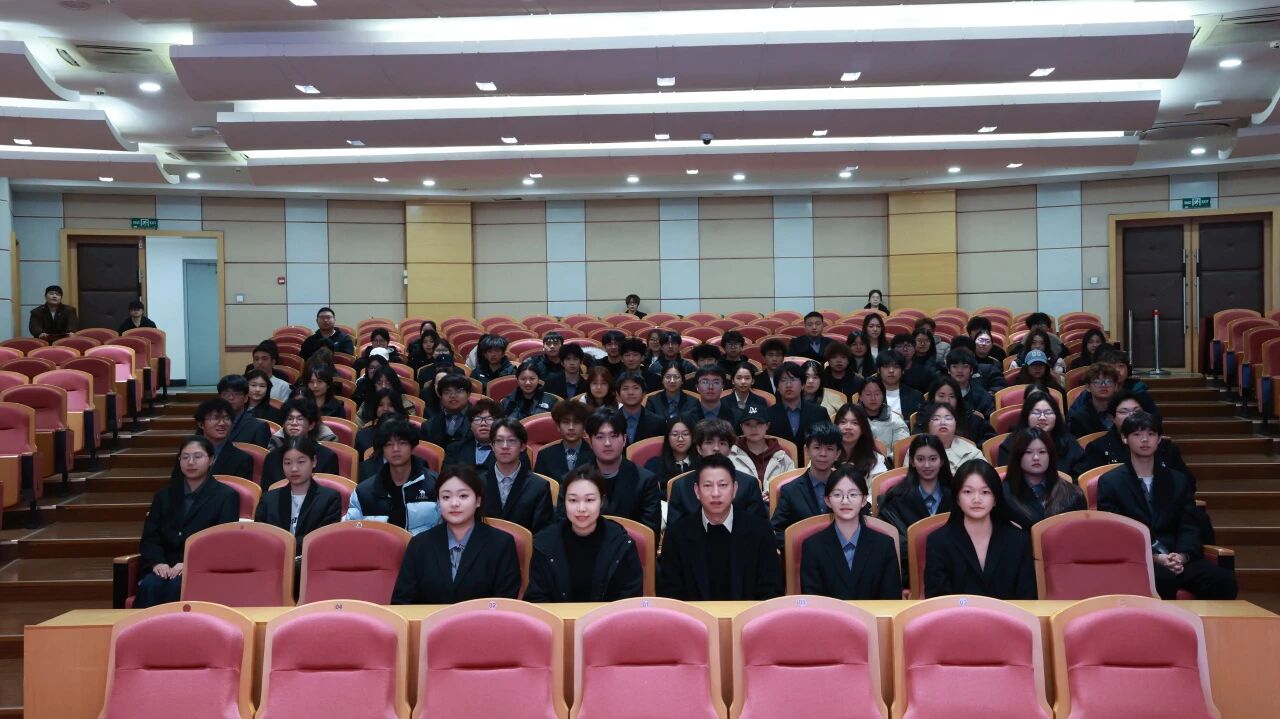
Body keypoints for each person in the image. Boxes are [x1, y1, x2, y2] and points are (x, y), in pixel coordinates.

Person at [1097, 411, 1237, 599]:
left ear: (1159, 439)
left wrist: (1181, 556)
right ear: (1124, 438)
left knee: (1223, 580)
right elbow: (1115, 533)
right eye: (1137, 434)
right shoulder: (1110, 482)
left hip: (1177, 557)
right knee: (1163, 579)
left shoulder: (1178, 480)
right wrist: (1156, 557)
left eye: (1151, 434)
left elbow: (1189, 526)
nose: (1145, 440)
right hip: (1139, 559)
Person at [658, 454, 782, 601]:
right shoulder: (677, 535)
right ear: (697, 491)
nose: (715, 493)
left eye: (723, 485)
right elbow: (670, 595)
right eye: (708, 485)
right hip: (693, 615)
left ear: (734, 489)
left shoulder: (760, 531)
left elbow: (771, 591)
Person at [392, 464, 521, 604]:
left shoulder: (501, 544)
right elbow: (402, 603)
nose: (454, 503)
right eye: (446, 497)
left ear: (478, 500)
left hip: (484, 618)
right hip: (430, 619)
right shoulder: (419, 545)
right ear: (438, 501)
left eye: (463, 496)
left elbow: (506, 603)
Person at [135, 435, 239, 607]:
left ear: (211, 460)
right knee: (150, 585)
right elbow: (150, 538)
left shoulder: (226, 496)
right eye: (185, 457)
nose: (191, 462)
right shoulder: (163, 496)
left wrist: (189, 563)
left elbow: (223, 542)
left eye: (197, 456)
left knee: (178, 587)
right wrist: (157, 562)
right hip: (165, 566)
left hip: (202, 568)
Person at [525, 466, 644, 602]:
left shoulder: (621, 543)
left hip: (610, 616)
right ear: (564, 502)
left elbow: (630, 598)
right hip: (558, 616)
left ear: (602, 501)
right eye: (573, 500)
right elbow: (536, 598)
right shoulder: (545, 543)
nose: (581, 509)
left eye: (589, 500)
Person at [924, 459, 1037, 599]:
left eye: (985, 492)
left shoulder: (1019, 541)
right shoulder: (938, 542)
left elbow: (1028, 598)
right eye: (968, 492)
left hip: (1007, 613)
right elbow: (937, 600)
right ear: (957, 498)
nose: (976, 499)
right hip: (957, 613)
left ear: (995, 499)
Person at [799, 465, 902, 599]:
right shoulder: (812, 546)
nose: (845, 501)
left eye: (853, 494)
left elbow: (891, 601)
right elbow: (813, 601)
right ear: (827, 500)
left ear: (864, 500)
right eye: (837, 495)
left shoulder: (884, 545)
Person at [553, 409, 661, 536]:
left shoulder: (645, 481)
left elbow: (649, 535)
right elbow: (563, 530)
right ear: (590, 441)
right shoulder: (571, 481)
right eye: (600, 437)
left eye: (613, 436)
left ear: (624, 439)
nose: (607, 443)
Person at [346, 419, 440, 536]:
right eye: (389, 444)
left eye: (402, 443)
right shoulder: (363, 492)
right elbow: (349, 531)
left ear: (412, 446)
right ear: (382, 450)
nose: (395, 449)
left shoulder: (435, 484)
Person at [666, 418, 767, 528]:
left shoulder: (749, 484)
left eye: (722, 443)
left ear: (730, 449)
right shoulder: (680, 486)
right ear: (699, 449)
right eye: (709, 442)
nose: (716, 448)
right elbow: (674, 532)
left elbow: (759, 528)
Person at [254, 436, 342, 558]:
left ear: (314, 461)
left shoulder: (330, 499)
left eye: (301, 462)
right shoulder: (268, 500)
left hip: (313, 560)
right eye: (288, 463)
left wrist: (286, 546)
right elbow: (260, 537)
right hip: (273, 560)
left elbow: (324, 538)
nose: (294, 469)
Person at [879, 434, 955, 571]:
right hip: (910, 569)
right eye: (920, 459)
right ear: (912, 462)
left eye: (933, 459)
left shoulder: (956, 496)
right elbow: (894, 542)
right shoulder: (896, 499)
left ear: (942, 461)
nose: (927, 465)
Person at [770, 421, 843, 545]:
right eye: (817, 447)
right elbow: (776, 531)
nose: (823, 454)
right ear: (807, 450)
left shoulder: (848, 487)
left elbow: (862, 525)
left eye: (829, 449)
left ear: (838, 454)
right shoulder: (790, 490)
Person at [1002, 428, 1086, 530]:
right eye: (1028, 452)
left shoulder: (1074, 494)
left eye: (1042, 452)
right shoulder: (1003, 496)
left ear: (1050, 456)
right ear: (1018, 456)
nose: (1036, 457)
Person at [479, 419, 553, 533]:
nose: (505, 446)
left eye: (511, 441)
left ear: (522, 446)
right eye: (499, 441)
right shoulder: (477, 483)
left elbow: (543, 533)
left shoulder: (539, 486)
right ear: (492, 446)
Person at [997, 390, 1086, 477]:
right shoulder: (1011, 443)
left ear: (1056, 416)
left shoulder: (1068, 442)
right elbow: (1008, 478)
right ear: (1026, 416)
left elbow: (1078, 477)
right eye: (1036, 413)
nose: (1042, 417)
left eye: (1048, 412)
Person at [261, 399, 340, 488]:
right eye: (290, 419)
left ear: (311, 425)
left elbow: (329, 492)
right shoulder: (272, 457)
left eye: (300, 419)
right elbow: (267, 492)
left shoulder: (327, 456)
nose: (294, 423)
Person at [765, 362, 829, 462]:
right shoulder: (767, 414)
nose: (788, 385)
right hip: (779, 467)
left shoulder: (819, 412)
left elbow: (829, 442)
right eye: (783, 380)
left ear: (803, 385)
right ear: (777, 387)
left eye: (793, 379)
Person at [914, 377, 995, 444]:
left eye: (952, 396)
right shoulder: (923, 418)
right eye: (941, 396)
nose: (946, 401)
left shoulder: (971, 419)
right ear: (933, 398)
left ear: (958, 399)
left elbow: (990, 439)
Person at [735, 404, 796, 493]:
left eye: (759, 423)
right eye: (748, 424)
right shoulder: (730, 456)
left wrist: (774, 495)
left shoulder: (783, 458)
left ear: (767, 425)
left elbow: (793, 490)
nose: (753, 428)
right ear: (741, 427)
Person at [193, 398, 255, 478]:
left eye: (226, 418)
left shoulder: (242, 459)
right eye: (215, 418)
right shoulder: (187, 454)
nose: (222, 423)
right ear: (201, 424)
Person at [533, 400, 594, 481]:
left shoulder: (595, 455)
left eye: (577, 422)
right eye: (566, 422)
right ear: (558, 426)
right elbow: (537, 486)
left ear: (584, 427)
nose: (571, 427)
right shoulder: (545, 455)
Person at [919, 402, 984, 472]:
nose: (943, 422)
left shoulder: (971, 451)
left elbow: (986, 474)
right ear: (928, 424)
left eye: (948, 418)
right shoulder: (917, 450)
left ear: (955, 423)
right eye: (936, 419)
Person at [443, 399, 501, 472]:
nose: (483, 423)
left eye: (489, 419)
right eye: (478, 419)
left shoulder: (506, 449)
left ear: (499, 424)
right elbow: (447, 476)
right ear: (470, 426)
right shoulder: (455, 449)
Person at [1067, 362, 1122, 437]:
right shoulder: (1079, 417)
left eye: (1108, 381)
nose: (1103, 385)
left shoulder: (1124, 411)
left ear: (1116, 386)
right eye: (1097, 382)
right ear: (1088, 387)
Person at [834, 403, 888, 478]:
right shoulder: (827, 455)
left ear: (863, 429)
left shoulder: (875, 460)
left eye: (855, 423)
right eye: (843, 422)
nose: (848, 427)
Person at [859, 375, 909, 455]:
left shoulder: (895, 420)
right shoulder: (853, 419)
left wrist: (888, 460)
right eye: (868, 394)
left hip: (888, 461)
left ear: (883, 396)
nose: (873, 398)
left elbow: (901, 449)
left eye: (877, 394)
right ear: (860, 397)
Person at [420, 373, 472, 448]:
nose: (453, 396)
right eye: (447, 392)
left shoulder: (480, 420)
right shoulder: (428, 426)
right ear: (440, 396)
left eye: (458, 391)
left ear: (468, 394)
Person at [644, 418, 695, 490]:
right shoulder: (654, 465)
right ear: (668, 438)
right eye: (675, 434)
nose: (680, 439)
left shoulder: (702, 464)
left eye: (685, 434)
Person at [615, 372, 665, 443]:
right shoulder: (610, 421)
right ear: (618, 395)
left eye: (636, 388)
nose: (631, 392)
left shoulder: (658, 423)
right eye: (625, 388)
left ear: (644, 394)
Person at [945, 349, 995, 418]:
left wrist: (980, 419)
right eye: (955, 366)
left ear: (971, 370)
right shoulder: (941, 393)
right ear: (948, 370)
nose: (960, 370)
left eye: (965, 366)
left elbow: (990, 419)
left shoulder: (982, 395)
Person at [876, 351, 924, 422]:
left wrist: (904, 423)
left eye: (896, 367)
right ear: (878, 370)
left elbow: (921, 423)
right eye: (886, 366)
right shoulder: (870, 395)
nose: (891, 371)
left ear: (903, 370)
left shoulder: (915, 396)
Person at [904, 328, 943, 392]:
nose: (923, 344)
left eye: (927, 340)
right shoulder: (905, 360)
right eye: (919, 340)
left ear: (931, 342)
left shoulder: (938, 361)